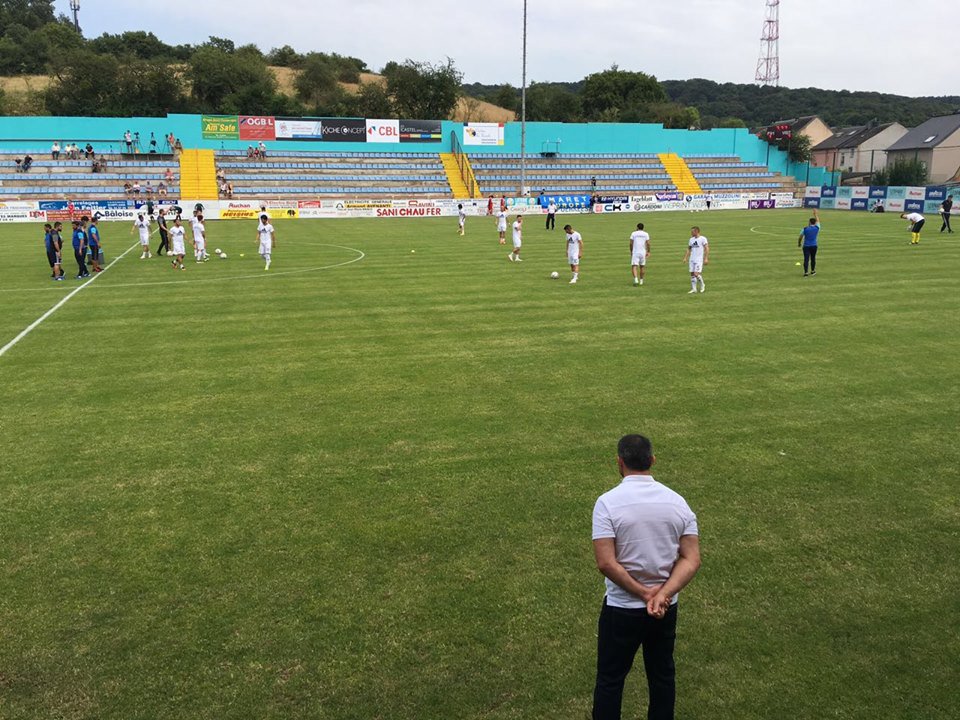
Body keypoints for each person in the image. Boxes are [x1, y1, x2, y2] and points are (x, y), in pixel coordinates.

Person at [591, 433, 701, 720]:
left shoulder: (607, 503)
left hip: (621, 609)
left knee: (610, 680)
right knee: (662, 676)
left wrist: (643, 594)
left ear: (619, 462)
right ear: (652, 460)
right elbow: (691, 557)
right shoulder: (678, 502)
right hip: (665, 610)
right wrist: (662, 595)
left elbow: (605, 562)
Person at [683, 226, 709, 293]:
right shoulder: (691, 239)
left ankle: (703, 285)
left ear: (697, 231)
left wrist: (706, 258)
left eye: (692, 231)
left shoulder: (703, 239)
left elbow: (707, 248)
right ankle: (694, 289)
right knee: (692, 274)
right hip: (692, 259)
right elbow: (689, 249)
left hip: (699, 259)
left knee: (696, 274)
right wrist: (685, 257)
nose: (691, 233)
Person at [797, 209, 820, 277]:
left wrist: (799, 243)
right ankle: (812, 271)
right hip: (814, 245)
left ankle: (806, 272)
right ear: (815, 223)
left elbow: (800, 237)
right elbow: (818, 221)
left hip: (806, 245)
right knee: (813, 258)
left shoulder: (805, 229)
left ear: (809, 222)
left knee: (806, 259)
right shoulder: (817, 228)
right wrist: (815, 214)